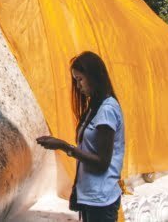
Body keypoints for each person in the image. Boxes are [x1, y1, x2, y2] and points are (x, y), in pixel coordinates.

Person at [36, 51, 125, 221]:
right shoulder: (94, 106)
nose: (78, 86)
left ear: (94, 77)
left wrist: (64, 146)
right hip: (90, 197)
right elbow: (87, 153)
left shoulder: (107, 110)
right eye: (76, 80)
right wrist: (78, 188)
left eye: (80, 80)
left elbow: (101, 162)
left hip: (101, 201)